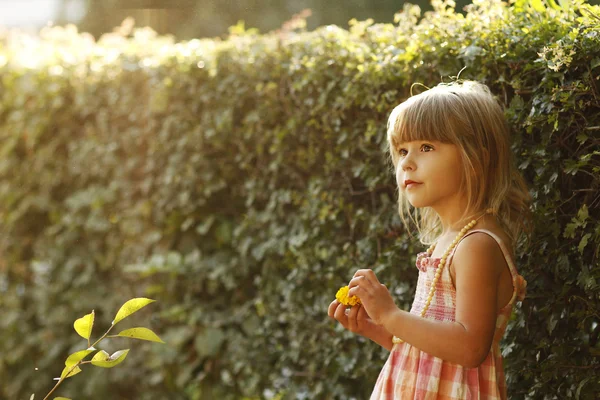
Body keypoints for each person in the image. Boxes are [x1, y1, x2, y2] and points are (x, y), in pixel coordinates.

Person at [327, 80, 532, 399]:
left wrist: (391, 315)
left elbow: (468, 348)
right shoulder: (447, 242)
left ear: (475, 158)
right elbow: (429, 355)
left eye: (426, 147)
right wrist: (378, 327)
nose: (407, 162)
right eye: (402, 150)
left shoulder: (476, 245)